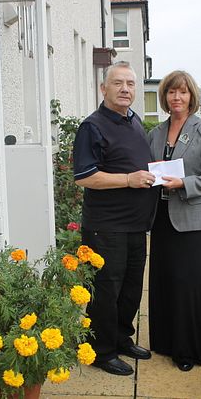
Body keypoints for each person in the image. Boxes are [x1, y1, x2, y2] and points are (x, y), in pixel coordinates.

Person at [72, 61, 158, 376]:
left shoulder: (134, 121)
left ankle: (121, 338)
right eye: (118, 83)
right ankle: (101, 351)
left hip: (136, 224)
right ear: (103, 88)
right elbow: (85, 177)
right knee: (106, 291)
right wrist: (128, 180)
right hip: (106, 227)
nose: (125, 89)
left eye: (131, 84)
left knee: (132, 287)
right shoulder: (92, 126)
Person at [147, 70, 201, 371]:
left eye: (182, 92)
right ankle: (165, 342)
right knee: (163, 280)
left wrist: (184, 184)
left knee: (187, 283)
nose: (176, 97)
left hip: (191, 218)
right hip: (162, 217)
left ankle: (189, 349)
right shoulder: (154, 133)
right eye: (171, 92)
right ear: (164, 96)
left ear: (191, 96)